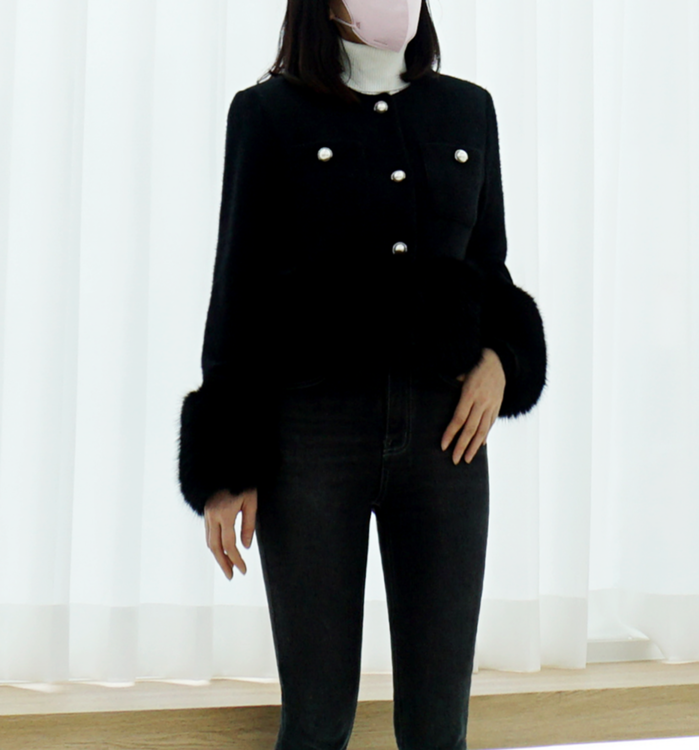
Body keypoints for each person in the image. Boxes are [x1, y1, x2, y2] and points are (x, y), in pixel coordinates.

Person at [177, 0, 547, 747]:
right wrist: (226, 467)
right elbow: (239, 289)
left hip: (446, 440)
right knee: (317, 722)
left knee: (439, 727)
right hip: (311, 438)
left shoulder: (468, 109)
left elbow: (490, 270)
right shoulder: (268, 114)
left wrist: (503, 360)